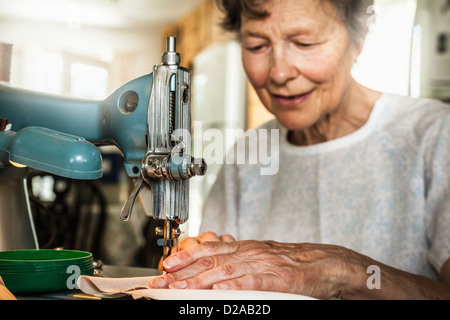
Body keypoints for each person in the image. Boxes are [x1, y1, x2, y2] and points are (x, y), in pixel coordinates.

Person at [150, 0, 450, 299]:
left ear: (359, 38)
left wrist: (346, 270)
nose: (279, 73)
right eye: (256, 46)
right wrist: (208, 261)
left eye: (305, 43)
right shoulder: (249, 153)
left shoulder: (435, 137)